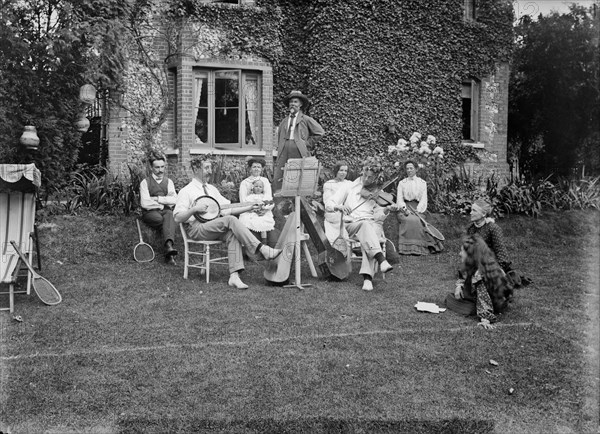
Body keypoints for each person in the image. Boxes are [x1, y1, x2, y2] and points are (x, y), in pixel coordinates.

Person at [174, 156, 282, 290]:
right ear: (196, 169)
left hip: (213, 226)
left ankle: (234, 277)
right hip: (196, 228)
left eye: (210, 168)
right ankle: (262, 249)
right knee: (230, 220)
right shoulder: (187, 191)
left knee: (232, 233)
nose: (210, 171)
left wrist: (250, 207)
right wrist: (194, 209)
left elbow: (229, 208)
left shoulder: (211, 189)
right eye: (206, 168)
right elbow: (178, 217)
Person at [325, 158, 397, 291]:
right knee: (366, 228)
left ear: (376, 177)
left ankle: (367, 279)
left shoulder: (376, 192)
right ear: (362, 171)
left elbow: (378, 216)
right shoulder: (349, 186)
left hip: (369, 224)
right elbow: (329, 203)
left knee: (368, 232)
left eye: (370, 177)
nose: (366, 179)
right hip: (351, 225)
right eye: (365, 175)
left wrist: (387, 209)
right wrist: (339, 207)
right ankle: (380, 260)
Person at [445, 234, 514, 329]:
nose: (460, 253)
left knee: (455, 302)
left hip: (494, 302)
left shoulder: (480, 273)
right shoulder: (473, 265)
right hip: (483, 297)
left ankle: (476, 309)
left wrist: (485, 319)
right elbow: (462, 277)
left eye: (462, 251)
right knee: (451, 297)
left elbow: (484, 296)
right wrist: (459, 286)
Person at [465, 198, 531, 287]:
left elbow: (501, 251)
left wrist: (498, 267)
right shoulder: (471, 228)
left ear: (483, 214)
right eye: (471, 210)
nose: (470, 213)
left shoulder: (493, 228)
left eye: (474, 210)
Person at [272, 90, 325, 192]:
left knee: (298, 177)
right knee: (280, 175)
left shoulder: (305, 119)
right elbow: (279, 137)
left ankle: (299, 204)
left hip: (298, 150)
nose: (292, 104)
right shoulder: (284, 121)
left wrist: (307, 143)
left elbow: (320, 132)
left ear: (300, 105)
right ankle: (280, 203)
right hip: (283, 150)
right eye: (291, 102)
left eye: (295, 102)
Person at [395, 160, 443, 255]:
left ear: (416, 169)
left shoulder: (422, 183)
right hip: (405, 208)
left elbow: (424, 199)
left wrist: (419, 209)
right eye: (407, 168)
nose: (409, 170)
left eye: (411, 168)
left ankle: (424, 246)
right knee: (410, 220)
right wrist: (404, 209)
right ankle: (408, 248)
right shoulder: (402, 183)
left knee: (417, 219)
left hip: (418, 208)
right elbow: (400, 199)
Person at [139, 150, 178, 264]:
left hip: (165, 211)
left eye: (162, 167)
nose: (160, 170)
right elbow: (145, 203)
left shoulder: (169, 182)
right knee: (164, 220)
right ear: (151, 167)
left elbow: (174, 200)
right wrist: (164, 202)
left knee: (169, 214)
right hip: (150, 213)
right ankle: (169, 253)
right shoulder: (145, 183)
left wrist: (156, 199)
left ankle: (169, 247)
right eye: (157, 167)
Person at [238, 158, 277, 246]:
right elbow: (243, 201)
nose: (256, 169)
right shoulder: (244, 183)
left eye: (259, 167)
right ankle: (249, 247)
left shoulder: (265, 181)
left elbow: (268, 197)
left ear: (262, 169)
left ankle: (265, 243)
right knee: (246, 221)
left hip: (263, 209)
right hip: (249, 210)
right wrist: (253, 209)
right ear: (250, 169)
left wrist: (264, 209)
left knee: (264, 222)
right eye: (254, 167)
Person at [322, 161, 353, 244]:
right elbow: (327, 202)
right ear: (336, 171)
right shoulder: (329, 184)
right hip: (334, 216)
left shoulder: (349, 184)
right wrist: (338, 207)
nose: (343, 173)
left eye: (345, 171)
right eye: (341, 170)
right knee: (334, 242)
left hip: (347, 215)